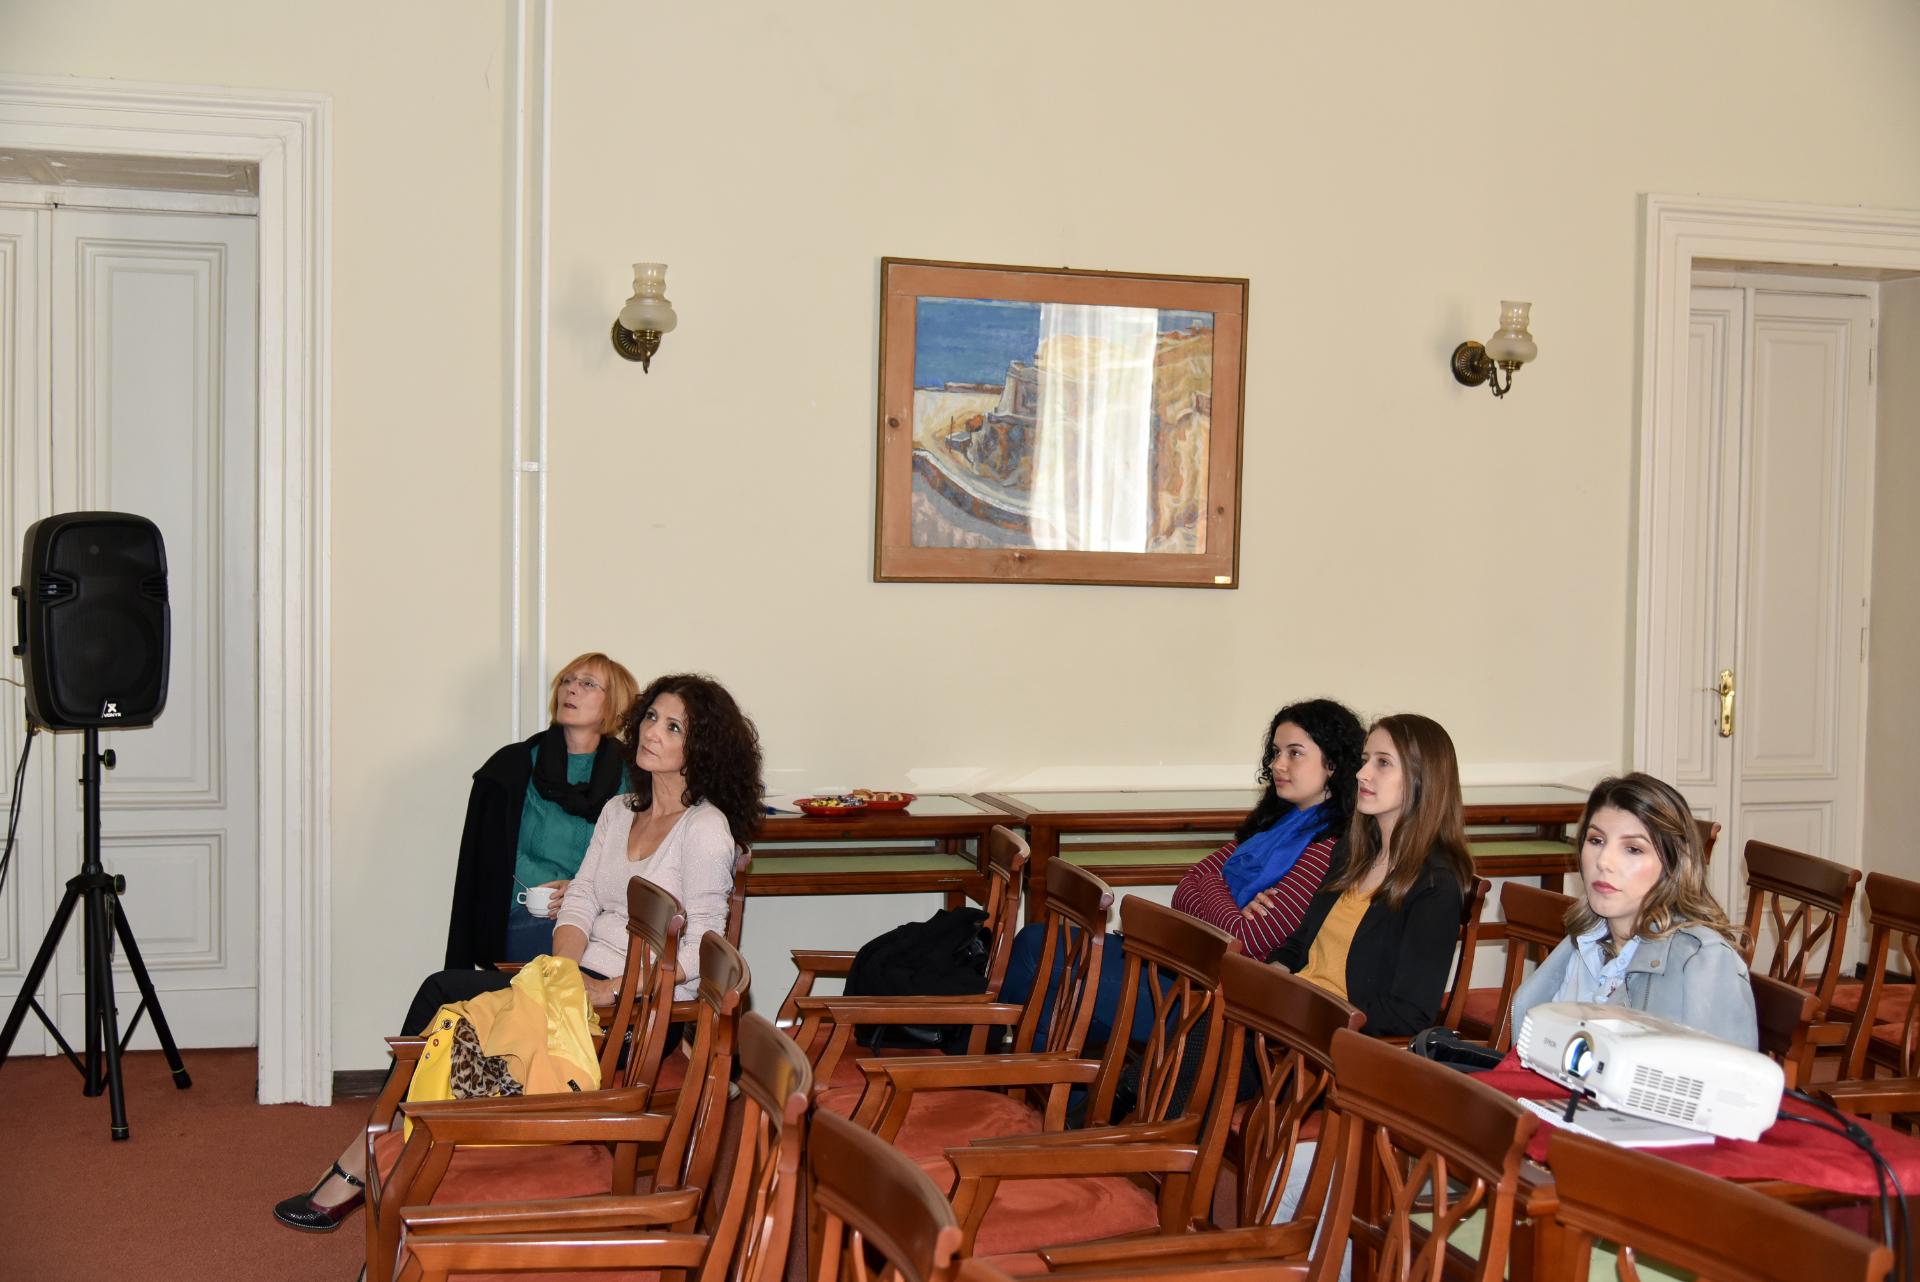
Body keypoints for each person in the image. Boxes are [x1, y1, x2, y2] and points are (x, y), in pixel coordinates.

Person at [272, 671, 764, 1234]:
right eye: (652, 717)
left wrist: (608, 991)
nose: (653, 732)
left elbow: (705, 948)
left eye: (674, 727)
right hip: (575, 988)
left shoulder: (705, 829)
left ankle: (373, 1164)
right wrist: (563, 972)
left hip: (630, 1017)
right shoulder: (621, 810)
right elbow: (580, 898)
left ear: (702, 748)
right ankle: (390, 1162)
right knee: (445, 998)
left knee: (449, 1005)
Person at [998, 699, 1366, 1048]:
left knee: (1039, 955)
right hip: (1184, 967)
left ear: (1333, 763)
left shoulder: (1328, 848)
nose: (1278, 765)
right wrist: (1227, 901)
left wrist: (1214, 887)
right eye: (1276, 752)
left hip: (1211, 1001)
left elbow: (1245, 942)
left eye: (1294, 753)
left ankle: (1004, 1070)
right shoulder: (1273, 825)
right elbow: (1186, 889)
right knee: (1043, 959)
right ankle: (1036, 1082)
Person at [1509, 772, 1755, 1048]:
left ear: (1673, 863)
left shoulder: (1703, 961)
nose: (1604, 861)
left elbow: (1724, 1073)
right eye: (1596, 840)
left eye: (1633, 849)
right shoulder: (1586, 940)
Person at [1267, 712, 1474, 1039]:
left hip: (1334, 1039)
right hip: (1295, 1023)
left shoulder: (1435, 884)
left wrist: (1305, 1009)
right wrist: (1266, 982)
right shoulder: (1351, 852)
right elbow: (1301, 944)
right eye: (1365, 760)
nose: (1362, 773)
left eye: (1383, 763)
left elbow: (1409, 1013)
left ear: (1422, 779)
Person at [443, 652, 639, 968]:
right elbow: (498, 854)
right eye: (566, 681)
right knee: (578, 950)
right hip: (528, 912)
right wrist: (562, 894)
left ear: (613, 703)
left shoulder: (634, 778)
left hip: (599, 916)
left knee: (612, 949)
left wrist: (580, 892)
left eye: (588, 684)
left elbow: (634, 860)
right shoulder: (512, 767)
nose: (571, 689)